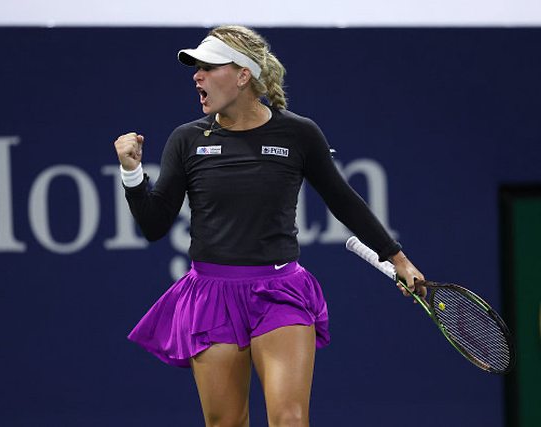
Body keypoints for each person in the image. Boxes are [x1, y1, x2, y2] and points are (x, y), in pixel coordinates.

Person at [114, 25, 425, 427]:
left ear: (243, 75)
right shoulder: (186, 139)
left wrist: (397, 258)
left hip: (281, 291)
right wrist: (132, 174)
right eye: (196, 69)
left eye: (209, 67)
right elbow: (155, 225)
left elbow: (343, 200)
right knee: (226, 423)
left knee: (289, 419)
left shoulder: (298, 133)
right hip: (211, 296)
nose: (197, 76)